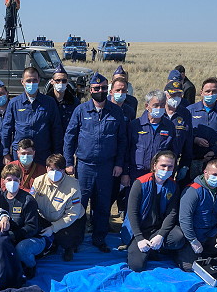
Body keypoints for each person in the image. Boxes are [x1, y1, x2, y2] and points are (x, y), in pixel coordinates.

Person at [63, 73, 127, 252]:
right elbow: (70, 137)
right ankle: (74, 241)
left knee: (103, 205)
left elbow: (122, 140)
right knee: (79, 205)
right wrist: (69, 162)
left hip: (107, 167)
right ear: (90, 90)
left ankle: (99, 239)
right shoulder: (81, 110)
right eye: (97, 88)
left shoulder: (116, 112)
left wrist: (119, 163)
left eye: (104, 88)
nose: (100, 91)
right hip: (84, 166)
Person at [126, 150, 185, 272]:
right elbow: (132, 213)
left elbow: (172, 213)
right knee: (136, 266)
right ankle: (147, 248)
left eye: (170, 166)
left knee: (178, 238)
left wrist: (161, 235)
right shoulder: (140, 183)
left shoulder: (173, 186)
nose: (166, 169)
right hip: (140, 230)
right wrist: (139, 238)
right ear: (154, 165)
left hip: (157, 229)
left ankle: (157, 247)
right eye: (163, 165)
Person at [176, 156, 217, 272]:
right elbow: (185, 219)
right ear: (205, 172)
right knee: (188, 267)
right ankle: (186, 252)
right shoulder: (192, 191)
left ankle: (206, 251)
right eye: (215, 174)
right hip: (194, 233)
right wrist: (192, 240)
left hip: (211, 231)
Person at [0, 66, 63, 165]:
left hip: (42, 153)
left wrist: (57, 153)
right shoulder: (14, 103)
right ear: (22, 82)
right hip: (21, 153)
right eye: (28, 81)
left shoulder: (49, 102)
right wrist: (6, 153)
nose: (31, 83)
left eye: (34, 80)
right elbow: (6, 129)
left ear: (39, 81)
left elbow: (56, 129)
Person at [30, 153, 85, 260]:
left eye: (59, 170)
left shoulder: (73, 185)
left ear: (64, 170)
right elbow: (31, 202)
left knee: (65, 240)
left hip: (68, 220)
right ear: (46, 168)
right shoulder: (38, 181)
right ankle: (51, 245)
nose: (55, 173)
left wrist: (53, 228)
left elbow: (72, 214)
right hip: (45, 216)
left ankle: (69, 247)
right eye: (52, 169)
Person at [0, 161, 42, 277]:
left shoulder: (28, 200)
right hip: (7, 237)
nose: (12, 183)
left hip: (32, 238)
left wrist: (12, 236)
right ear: (3, 181)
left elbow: (32, 228)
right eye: (9, 180)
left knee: (21, 250)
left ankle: (30, 265)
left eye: (16, 180)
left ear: (20, 181)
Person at [188, 77, 217, 172]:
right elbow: (184, 131)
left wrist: (215, 150)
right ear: (201, 92)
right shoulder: (190, 110)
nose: (210, 94)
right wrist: (195, 139)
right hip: (193, 157)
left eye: (214, 91)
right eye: (207, 91)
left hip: (216, 158)